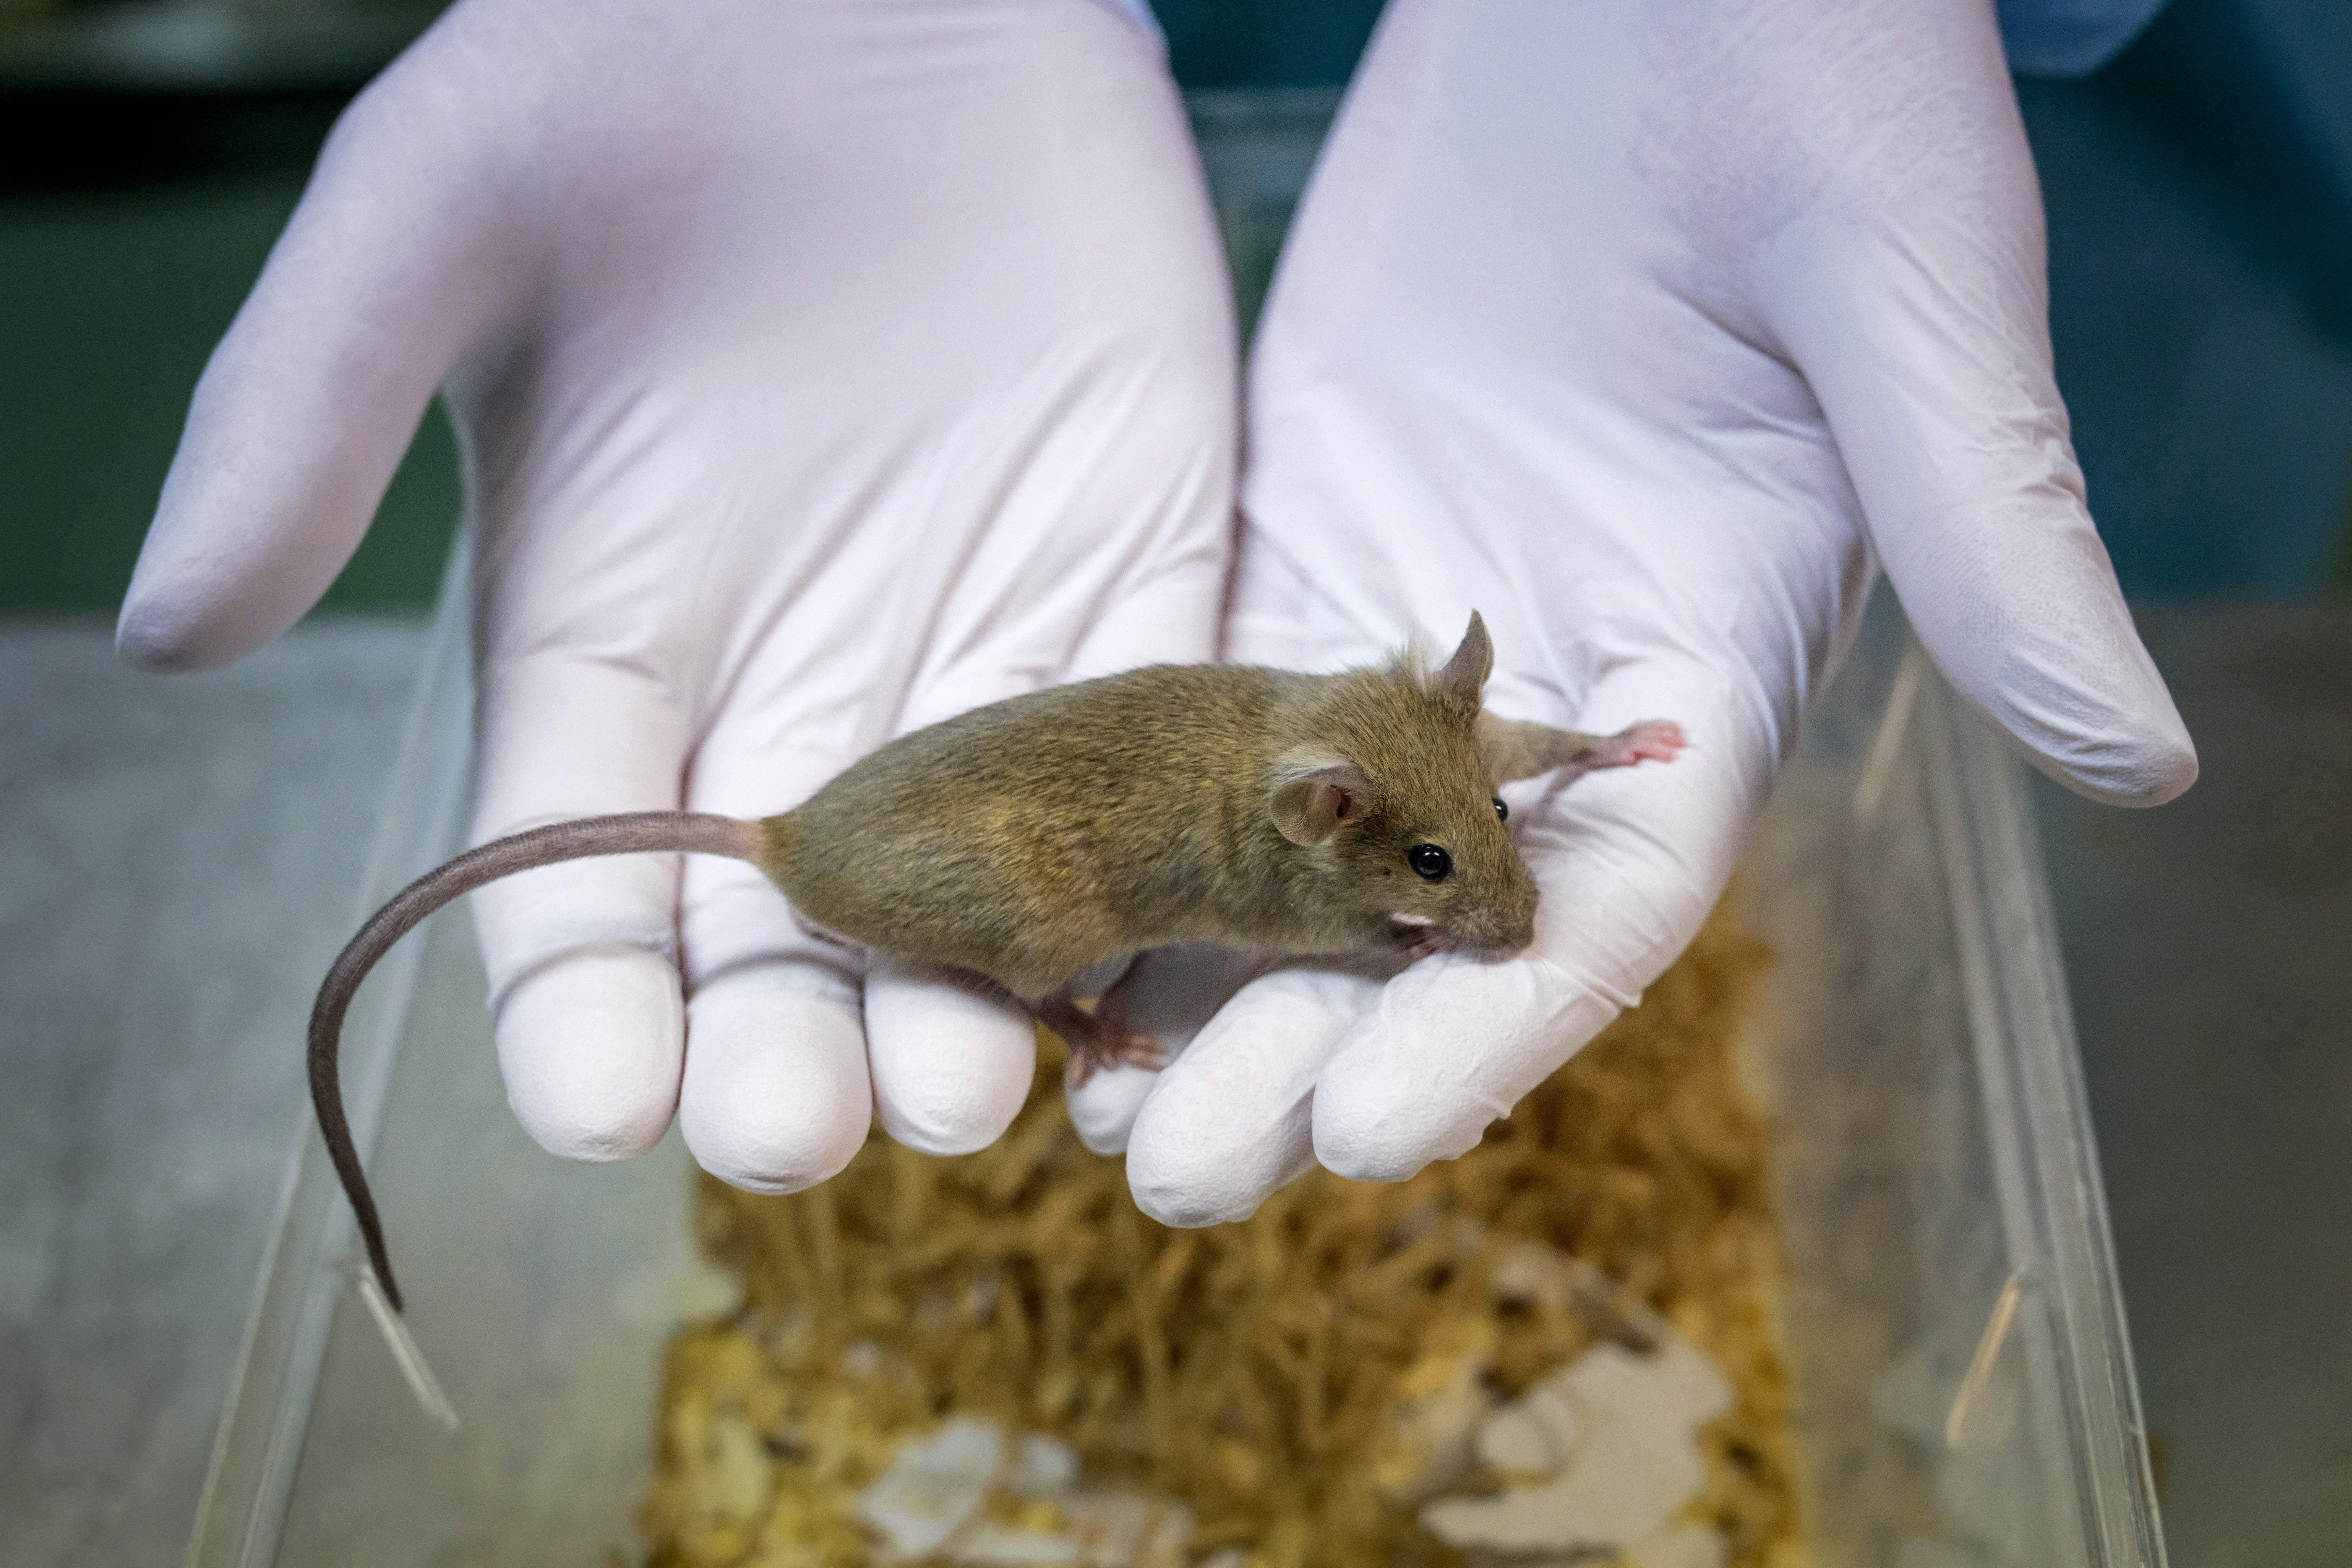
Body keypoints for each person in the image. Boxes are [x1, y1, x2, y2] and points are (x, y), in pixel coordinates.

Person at [117, 0, 2194, 1228]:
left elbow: (1470, 751)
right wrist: (1237, 965)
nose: (1483, 905)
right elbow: (1377, 867)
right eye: (1438, 884)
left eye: (1460, 867)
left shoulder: (1384, 729)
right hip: (940, 843)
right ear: (1317, 823)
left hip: (2111, 143)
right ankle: (1052, 1005)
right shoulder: (1293, 842)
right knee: (1069, 935)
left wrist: (1594, 752)